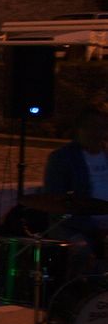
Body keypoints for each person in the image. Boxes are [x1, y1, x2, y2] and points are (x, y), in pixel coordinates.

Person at [41, 104, 108, 270]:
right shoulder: (62, 158)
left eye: (100, 128)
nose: (95, 133)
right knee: (81, 250)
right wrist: (93, 228)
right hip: (72, 226)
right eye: (90, 127)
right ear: (78, 129)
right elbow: (55, 203)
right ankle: (78, 284)